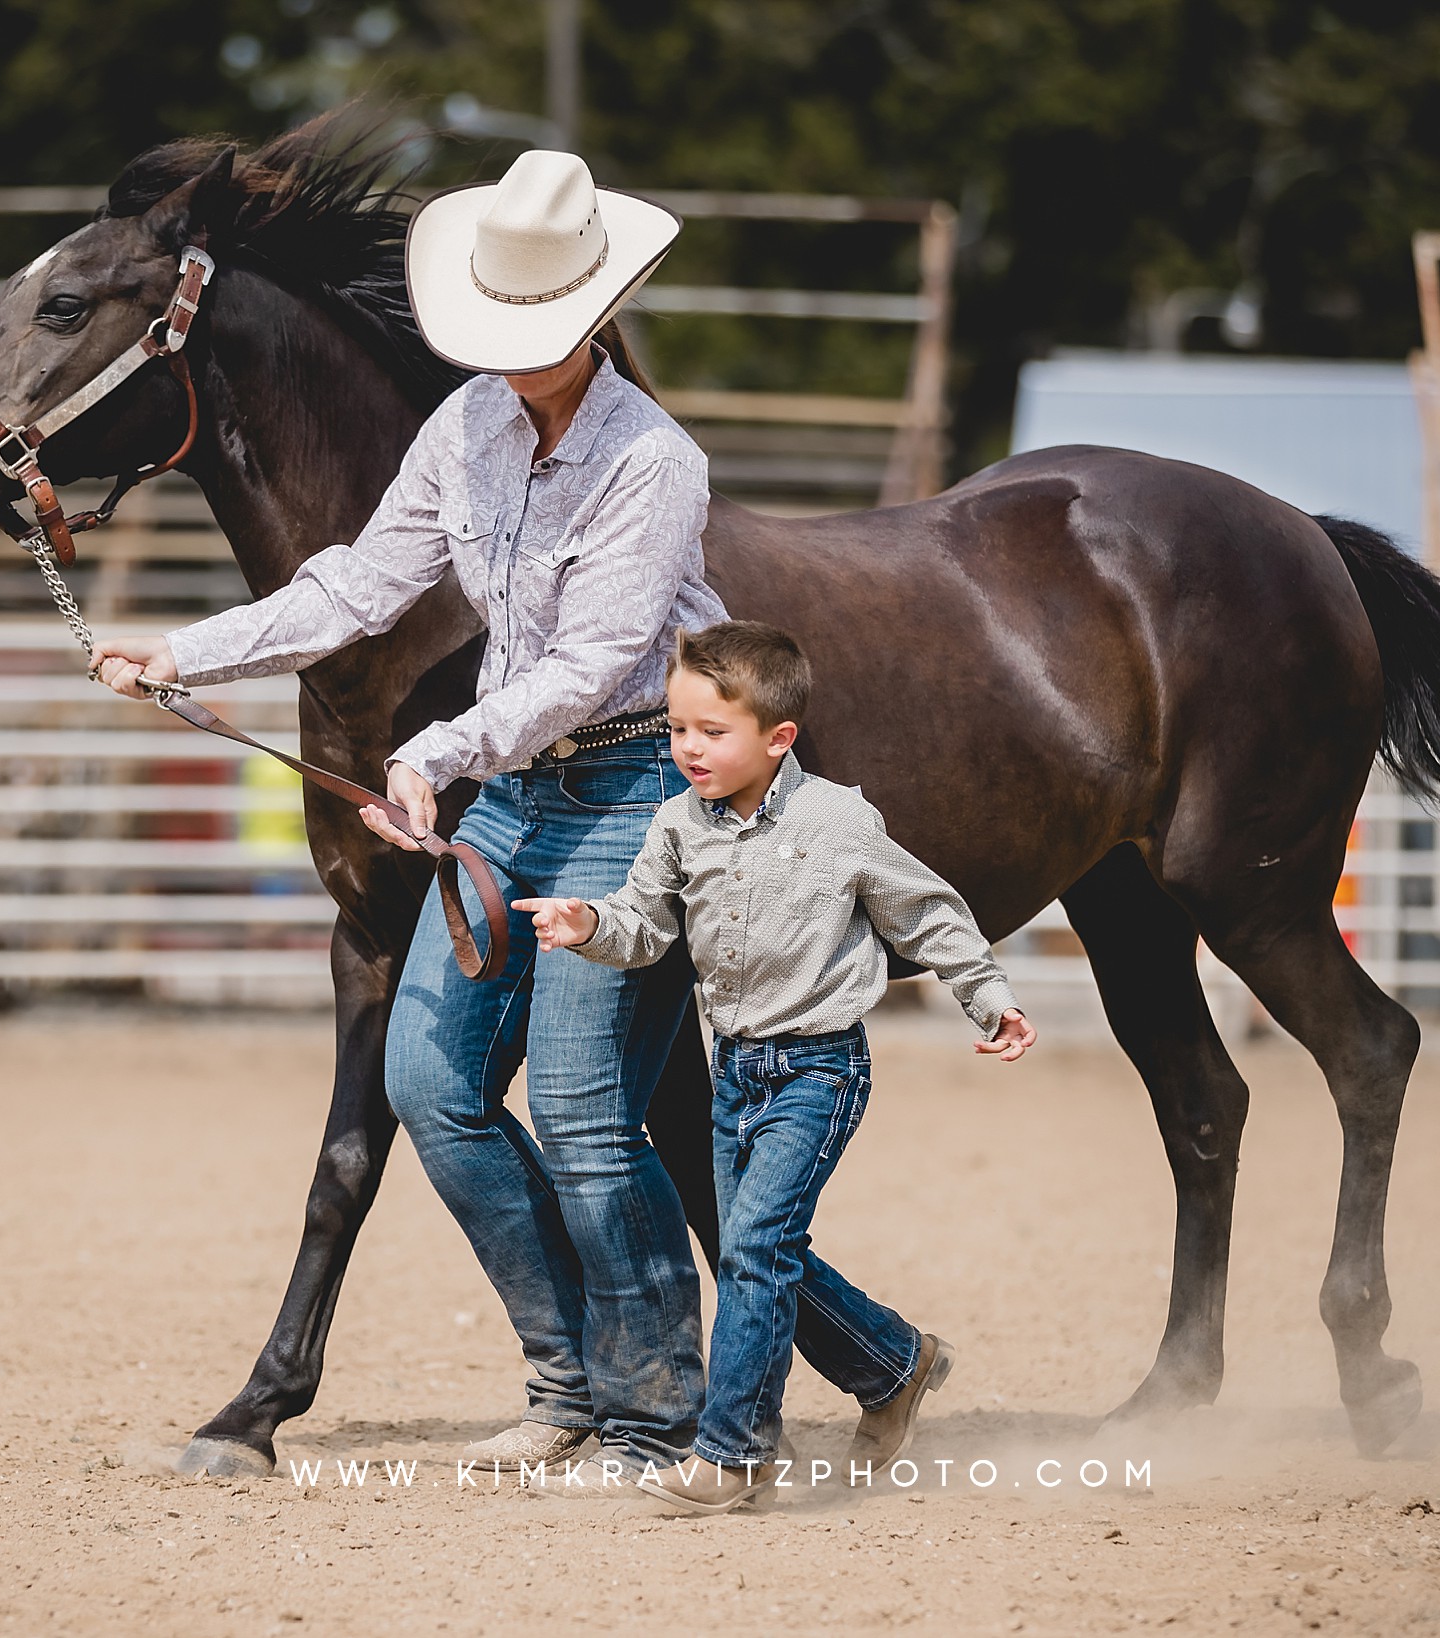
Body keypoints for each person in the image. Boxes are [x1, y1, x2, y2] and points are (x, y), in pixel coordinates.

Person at [90, 149, 723, 1477]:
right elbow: (354, 586)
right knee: (433, 1083)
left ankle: (657, 1417)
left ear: (591, 321)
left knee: (585, 1104)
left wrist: (437, 746)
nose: (507, 359)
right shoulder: (470, 428)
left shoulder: (654, 461)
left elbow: (595, 662)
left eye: (532, 337)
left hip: (632, 780)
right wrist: (184, 651)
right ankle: (570, 1379)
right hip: (522, 788)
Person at [517, 621, 1038, 1514]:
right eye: (678, 729)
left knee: (755, 1248)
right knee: (754, 1248)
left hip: (819, 1073)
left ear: (777, 738)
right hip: (737, 1075)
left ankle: (734, 1456)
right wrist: (588, 926)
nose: (688, 749)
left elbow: (929, 915)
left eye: (711, 733)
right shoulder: (678, 825)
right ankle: (893, 1362)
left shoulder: (840, 820)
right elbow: (644, 926)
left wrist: (989, 998)